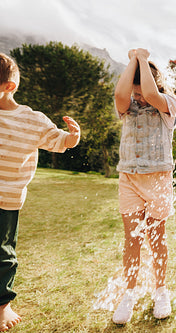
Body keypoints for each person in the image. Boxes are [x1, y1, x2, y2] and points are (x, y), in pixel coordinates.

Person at [0, 52, 80, 331]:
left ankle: (3, 305)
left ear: (8, 87)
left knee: (3, 253)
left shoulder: (31, 119)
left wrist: (72, 137)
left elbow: (58, 140)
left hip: (6, 198)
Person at [112, 48, 176, 324]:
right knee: (132, 239)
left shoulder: (168, 104)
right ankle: (129, 293)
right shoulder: (127, 107)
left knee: (156, 238)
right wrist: (132, 62)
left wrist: (141, 58)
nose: (138, 97)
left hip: (158, 179)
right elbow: (119, 95)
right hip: (129, 178)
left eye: (140, 91)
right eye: (136, 92)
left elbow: (152, 95)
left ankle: (160, 290)